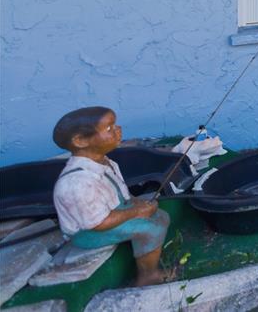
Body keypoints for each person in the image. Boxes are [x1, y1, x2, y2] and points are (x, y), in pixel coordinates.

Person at [51, 107, 172, 286]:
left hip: (112, 212)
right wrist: (137, 212)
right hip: (87, 233)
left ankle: (148, 258)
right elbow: (98, 223)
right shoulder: (76, 183)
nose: (118, 129)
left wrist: (137, 203)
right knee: (150, 229)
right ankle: (148, 276)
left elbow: (122, 192)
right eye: (109, 128)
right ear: (80, 141)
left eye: (115, 125)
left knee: (161, 216)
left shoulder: (107, 162)